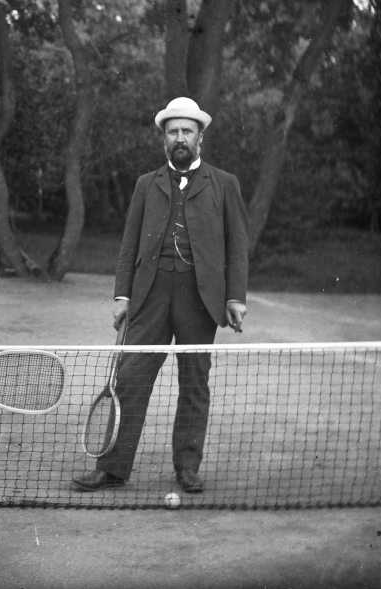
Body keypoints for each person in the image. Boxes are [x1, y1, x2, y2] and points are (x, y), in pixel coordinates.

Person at [71, 96, 249, 495]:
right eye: (173, 132)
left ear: (200, 137)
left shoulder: (224, 184)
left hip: (199, 300)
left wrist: (235, 297)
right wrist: (122, 296)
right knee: (130, 379)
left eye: (187, 131)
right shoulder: (145, 185)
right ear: (163, 140)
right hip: (149, 297)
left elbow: (237, 247)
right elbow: (128, 244)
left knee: (194, 383)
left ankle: (187, 466)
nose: (180, 138)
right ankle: (112, 469)